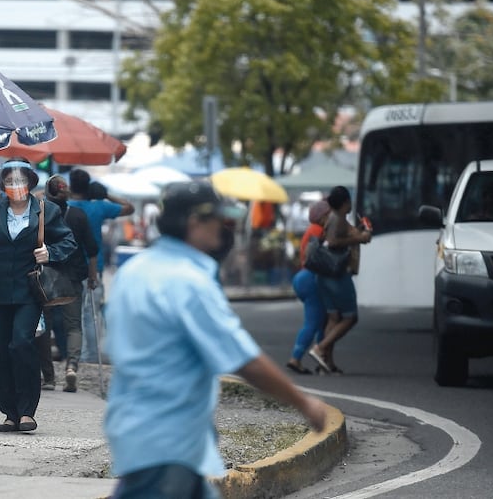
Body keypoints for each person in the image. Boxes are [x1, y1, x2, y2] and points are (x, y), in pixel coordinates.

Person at [104, 181, 328, 498]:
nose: (224, 228)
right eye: (218, 220)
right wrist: (305, 404)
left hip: (143, 435)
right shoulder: (188, 281)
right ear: (195, 222)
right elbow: (245, 359)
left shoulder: (133, 271)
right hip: (168, 444)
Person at [0, 158, 76, 433]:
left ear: (30, 183)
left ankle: (27, 411)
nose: (15, 186)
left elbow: (69, 242)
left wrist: (51, 253)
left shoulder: (45, 212)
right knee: (0, 352)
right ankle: (10, 414)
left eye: (20, 180)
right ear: (2, 185)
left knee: (21, 344)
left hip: (28, 291)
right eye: (10, 181)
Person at [34, 175, 98, 393]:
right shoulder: (78, 215)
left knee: (44, 326)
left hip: (45, 277)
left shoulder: (41, 213)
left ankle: (49, 377)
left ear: (48, 193)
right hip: (73, 276)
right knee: (73, 325)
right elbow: (92, 249)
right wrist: (92, 276)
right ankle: (71, 366)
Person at [67, 169, 133, 363]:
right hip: (94, 268)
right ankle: (91, 357)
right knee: (91, 315)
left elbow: (37, 198)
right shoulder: (99, 207)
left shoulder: (65, 206)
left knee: (72, 316)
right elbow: (129, 208)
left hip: (69, 269)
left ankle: (74, 357)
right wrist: (106, 194)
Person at [308, 186, 371, 375]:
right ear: (345, 203)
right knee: (350, 317)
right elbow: (334, 242)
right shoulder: (338, 219)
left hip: (324, 276)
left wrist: (360, 234)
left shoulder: (334, 218)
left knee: (334, 317)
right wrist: (359, 239)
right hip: (337, 275)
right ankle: (320, 348)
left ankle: (326, 363)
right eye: (349, 200)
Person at [285, 199, 331, 374]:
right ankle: (295, 358)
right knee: (314, 323)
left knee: (320, 321)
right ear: (323, 216)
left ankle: (321, 361)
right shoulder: (320, 230)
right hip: (312, 279)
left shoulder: (311, 229)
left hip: (303, 276)